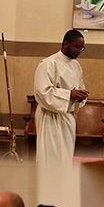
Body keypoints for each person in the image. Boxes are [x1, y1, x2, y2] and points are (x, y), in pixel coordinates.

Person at [33, 30, 87, 168]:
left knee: (65, 160)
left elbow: (79, 87)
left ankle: (63, 187)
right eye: (77, 46)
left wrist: (81, 97)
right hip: (50, 117)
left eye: (82, 48)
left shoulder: (76, 66)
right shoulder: (48, 64)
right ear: (66, 43)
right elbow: (42, 92)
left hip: (67, 119)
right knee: (50, 159)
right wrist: (69, 94)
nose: (80, 51)